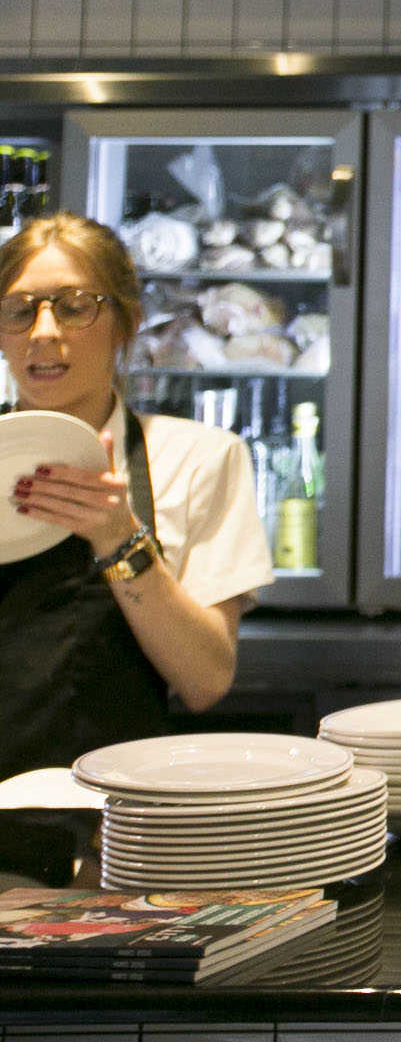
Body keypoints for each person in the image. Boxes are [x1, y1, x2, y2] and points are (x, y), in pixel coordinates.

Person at [0, 215, 272, 772]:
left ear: (127, 320)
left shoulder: (199, 459)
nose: (43, 331)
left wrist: (118, 537)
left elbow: (205, 681)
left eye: (74, 305)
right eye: (18, 309)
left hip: (115, 829)